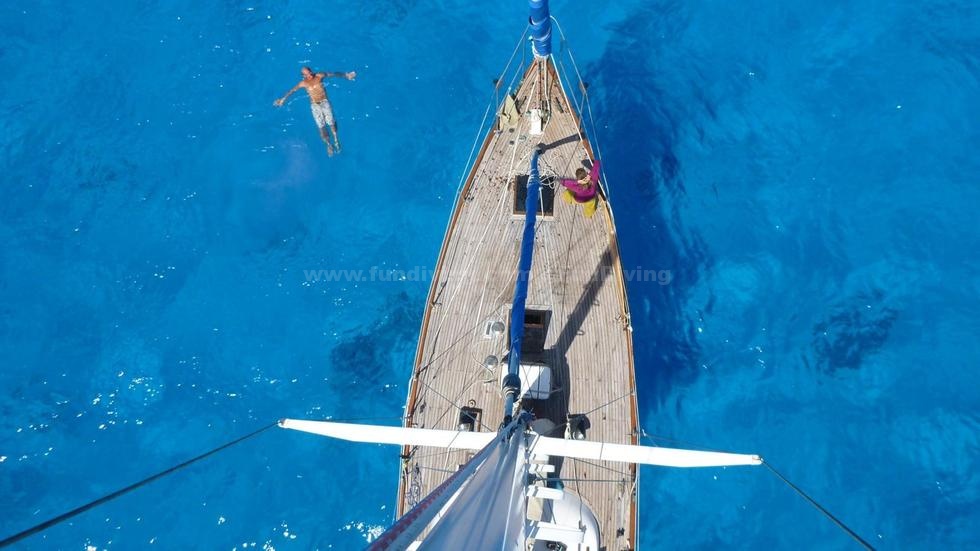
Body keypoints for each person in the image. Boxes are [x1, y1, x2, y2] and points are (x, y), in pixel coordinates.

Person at [274, 67, 356, 156]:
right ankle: (328, 144)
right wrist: (282, 99)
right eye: (307, 74)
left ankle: (336, 139)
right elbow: (292, 91)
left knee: (331, 122)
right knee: (321, 126)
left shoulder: (319, 76)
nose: (310, 75)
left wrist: (346, 75)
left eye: (310, 72)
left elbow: (333, 74)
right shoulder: (303, 83)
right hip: (315, 105)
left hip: (324, 102)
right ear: (303, 76)